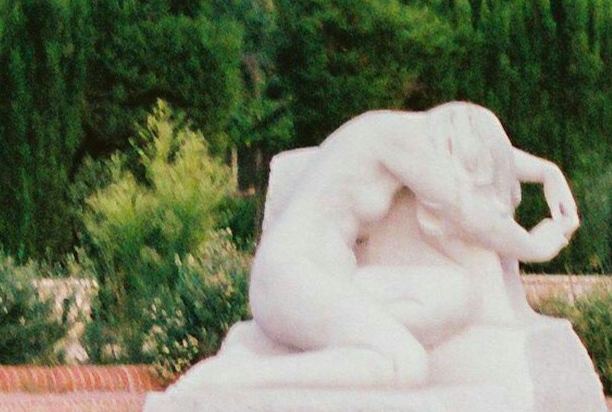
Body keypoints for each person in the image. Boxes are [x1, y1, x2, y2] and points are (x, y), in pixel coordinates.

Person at [233, 102, 580, 389]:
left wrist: (547, 172)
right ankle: (243, 375)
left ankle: (333, 343)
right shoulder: (393, 136)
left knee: (457, 293)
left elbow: (492, 155)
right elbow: (467, 212)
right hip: (290, 277)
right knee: (405, 364)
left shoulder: (410, 136)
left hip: (335, 279)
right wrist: (535, 247)